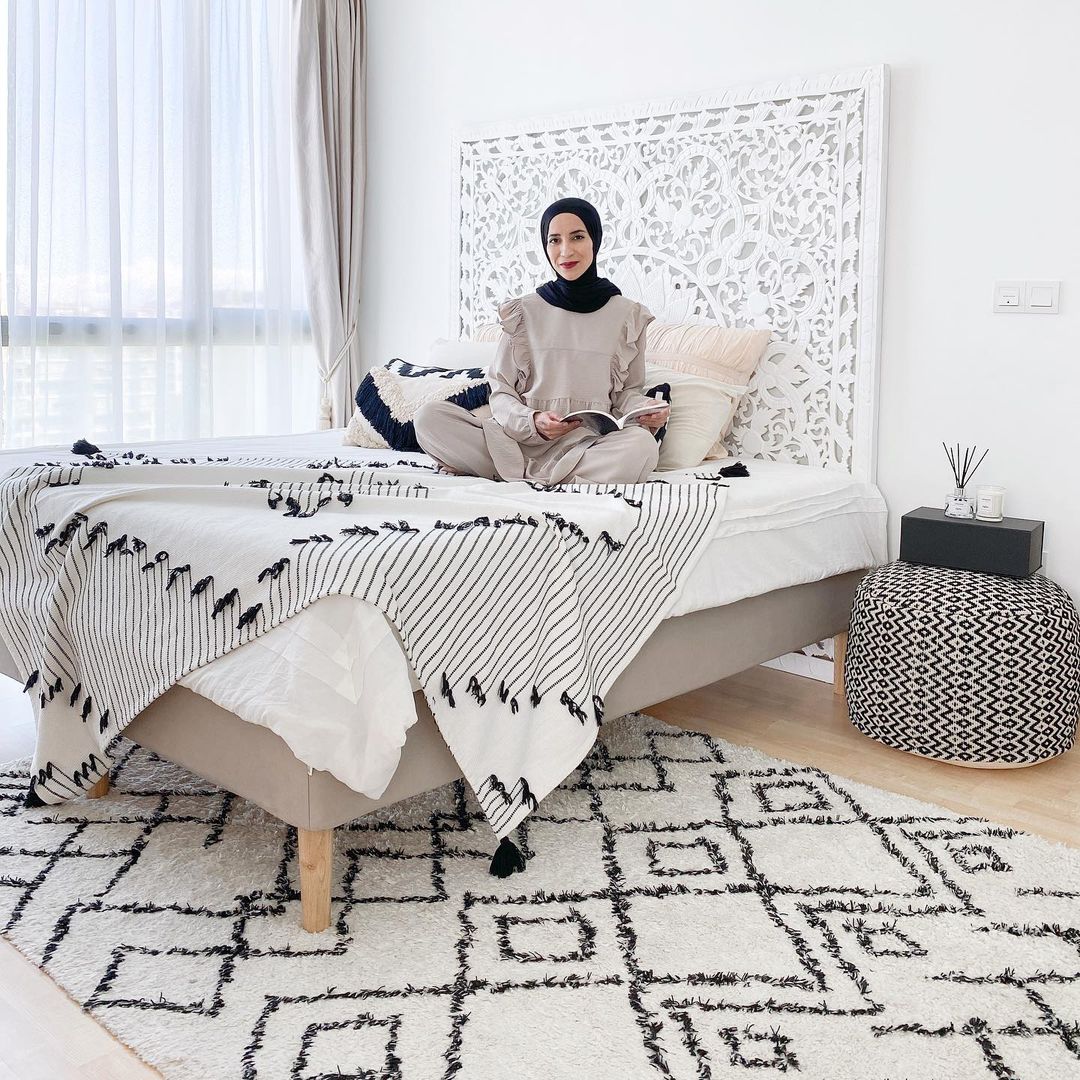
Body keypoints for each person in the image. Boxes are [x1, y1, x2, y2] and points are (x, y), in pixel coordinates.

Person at [414, 196, 669, 484]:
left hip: (585, 448)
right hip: (514, 442)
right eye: (554, 240)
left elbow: (626, 395)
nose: (565, 251)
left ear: (594, 241)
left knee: (641, 447)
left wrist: (646, 412)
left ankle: (513, 476)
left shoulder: (628, 316)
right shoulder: (522, 312)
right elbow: (501, 391)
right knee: (428, 418)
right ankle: (555, 479)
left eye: (577, 237)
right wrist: (532, 421)